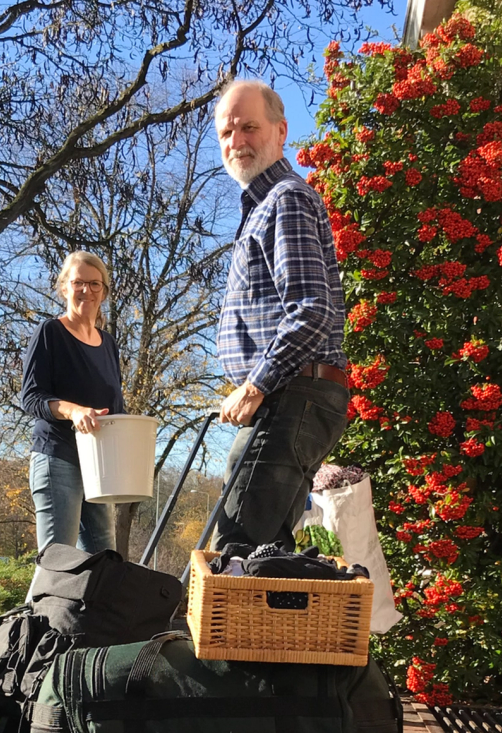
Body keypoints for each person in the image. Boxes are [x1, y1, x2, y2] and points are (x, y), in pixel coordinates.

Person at [212, 79, 350, 552]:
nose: (236, 141)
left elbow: (311, 309)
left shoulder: (284, 199)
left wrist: (255, 386)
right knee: (266, 555)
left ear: (281, 131)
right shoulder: (261, 207)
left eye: (248, 127)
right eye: (226, 132)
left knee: (237, 549)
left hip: (289, 394)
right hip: (292, 396)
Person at [21, 251, 124, 565]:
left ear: (103, 292)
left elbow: (116, 408)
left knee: (104, 564)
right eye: (78, 282)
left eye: (94, 284)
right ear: (64, 287)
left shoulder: (108, 344)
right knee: (58, 565)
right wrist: (73, 410)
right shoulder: (50, 333)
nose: (86, 290)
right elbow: (31, 397)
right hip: (57, 457)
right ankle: (43, 602)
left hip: (97, 466)